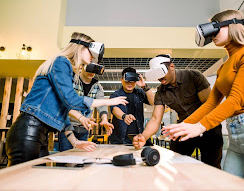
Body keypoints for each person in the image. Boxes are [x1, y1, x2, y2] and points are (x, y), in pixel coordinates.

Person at [5, 32, 127, 166]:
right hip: (29, 131)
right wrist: (107, 101)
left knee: (36, 181)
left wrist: (75, 142)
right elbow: (71, 100)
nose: (93, 57)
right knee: (20, 182)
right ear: (80, 47)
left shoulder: (68, 71)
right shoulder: (61, 62)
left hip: (39, 134)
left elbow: (63, 111)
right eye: (91, 52)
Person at [162, 10, 244, 179]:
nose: (212, 35)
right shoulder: (223, 67)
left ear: (232, 26)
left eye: (215, 28)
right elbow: (210, 103)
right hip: (236, 136)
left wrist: (200, 127)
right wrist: (183, 126)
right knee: (227, 184)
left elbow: (235, 100)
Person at [133, 54, 223, 168]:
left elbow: (210, 105)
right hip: (184, 130)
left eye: (162, 72)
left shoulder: (193, 76)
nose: (160, 78)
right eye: (157, 75)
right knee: (176, 163)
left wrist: (194, 125)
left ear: (172, 66)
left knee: (212, 168)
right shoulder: (161, 92)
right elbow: (156, 119)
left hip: (208, 128)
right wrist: (144, 137)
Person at [59, 67, 113, 151]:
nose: (92, 72)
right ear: (82, 66)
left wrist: (105, 119)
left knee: (81, 158)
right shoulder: (71, 81)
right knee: (65, 158)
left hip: (84, 129)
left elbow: (101, 104)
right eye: (90, 68)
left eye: (95, 70)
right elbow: (65, 104)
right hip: (68, 127)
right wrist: (81, 118)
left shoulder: (97, 87)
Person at [109, 67, 155, 144]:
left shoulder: (140, 93)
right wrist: (124, 116)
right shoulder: (115, 95)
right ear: (121, 80)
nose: (130, 84)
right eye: (127, 81)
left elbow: (153, 102)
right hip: (120, 138)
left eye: (132, 81)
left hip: (138, 137)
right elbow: (114, 109)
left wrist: (144, 86)